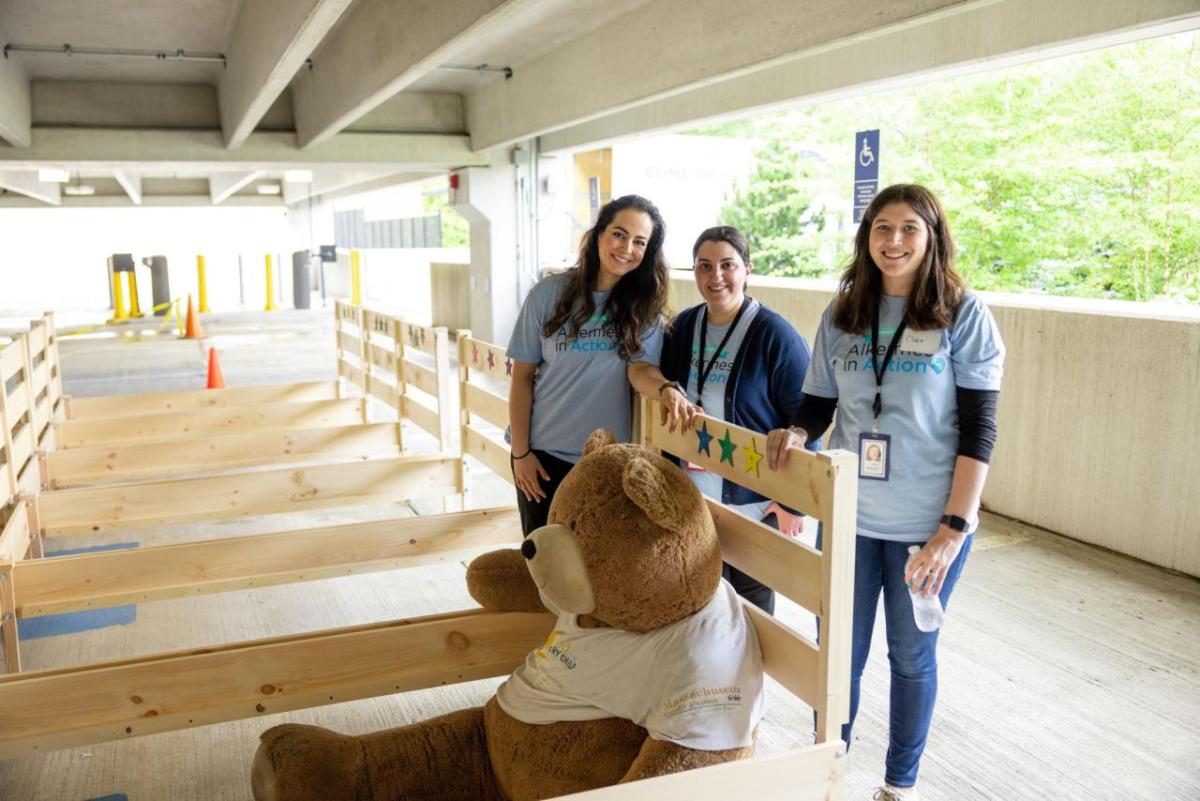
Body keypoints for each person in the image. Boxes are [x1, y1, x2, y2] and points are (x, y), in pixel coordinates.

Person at [765, 184, 1005, 801]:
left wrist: (954, 526)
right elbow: (817, 405)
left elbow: (980, 428)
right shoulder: (843, 313)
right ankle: (828, 772)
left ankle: (899, 785)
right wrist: (796, 431)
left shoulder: (963, 313)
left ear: (931, 238)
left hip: (926, 527)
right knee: (837, 656)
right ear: (866, 236)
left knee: (910, 657)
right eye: (882, 228)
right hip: (848, 518)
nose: (893, 241)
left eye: (909, 229)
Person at [507, 195, 693, 535]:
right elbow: (521, 378)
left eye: (640, 242)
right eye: (619, 234)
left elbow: (640, 370)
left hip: (605, 463)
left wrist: (666, 389)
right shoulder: (547, 294)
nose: (626, 248)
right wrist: (520, 454)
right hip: (542, 457)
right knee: (546, 573)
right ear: (598, 235)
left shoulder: (644, 308)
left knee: (598, 576)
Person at [658, 226, 812, 614]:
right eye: (704, 266)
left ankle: (745, 679)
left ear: (747, 268)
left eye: (728, 265)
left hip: (754, 503)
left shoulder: (776, 335)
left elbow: (807, 417)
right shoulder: (684, 328)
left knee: (751, 612)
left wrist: (795, 505)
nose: (716, 277)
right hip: (691, 498)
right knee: (697, 607)